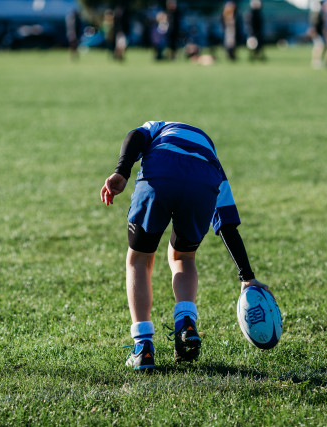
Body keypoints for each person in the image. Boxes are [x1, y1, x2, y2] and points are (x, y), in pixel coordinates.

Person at [100, 121, 272, 372]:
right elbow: (227, 225)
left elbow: (135, 136)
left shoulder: (159, 128)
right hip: (202, 180)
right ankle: (186, 323)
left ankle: (143, 347)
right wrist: (247, 277)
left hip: (161, 168)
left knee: (139, 259)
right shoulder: (212, 161)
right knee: (183, 257)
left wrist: (122, 172)